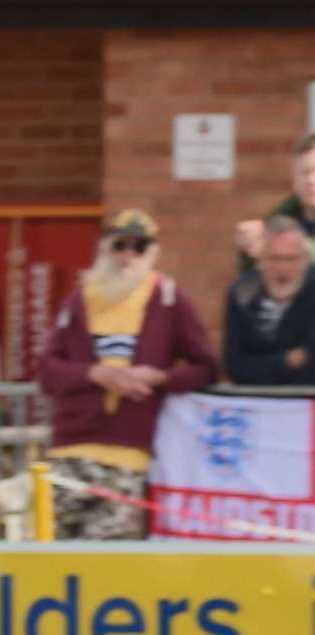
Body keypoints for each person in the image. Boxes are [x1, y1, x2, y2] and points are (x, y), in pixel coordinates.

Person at [37, 209, 220, 540]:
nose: (128, 255)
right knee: (56, 556)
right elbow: (47, 371)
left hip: (126, 455)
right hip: (69, 449)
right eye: (120, 245)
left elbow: (206, 366)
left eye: (139, 247)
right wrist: (96, 374)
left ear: (152, 252)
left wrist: (160, 379)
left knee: (107, 558)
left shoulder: (167, 298)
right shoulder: (80, 298)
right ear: (105, 248)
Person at [223, 214, 315, 386]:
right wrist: (286, 360)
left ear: (305, 259)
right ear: (261, 259)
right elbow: (236, 367)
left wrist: (263, 364)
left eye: (291, 258)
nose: (282, 268)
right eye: (274, 258)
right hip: (260, 404)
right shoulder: (241, 293)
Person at [234, 133, 315, 274]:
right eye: (304, 172)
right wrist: (249, 252)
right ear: (294, 180)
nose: (310, 180)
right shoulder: (279, 226)